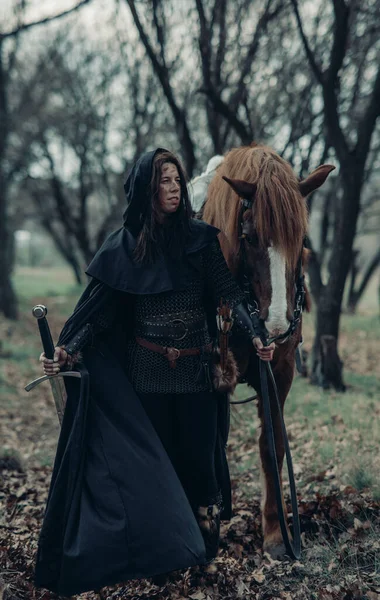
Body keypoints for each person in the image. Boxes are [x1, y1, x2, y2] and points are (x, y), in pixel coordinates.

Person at [36, 148, 275, 596]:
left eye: (177, 181)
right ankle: (163, 550)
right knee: (158, 463)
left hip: (197, 372)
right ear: (147, 191)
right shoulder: (123, 250)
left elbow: (230, 295)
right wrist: (66, 349)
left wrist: (257, 333)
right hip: (147, 373)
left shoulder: (202, 241)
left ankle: (202, 545)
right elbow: (97, 312)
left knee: (199, 460)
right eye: (164, 182)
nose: (173, 189)